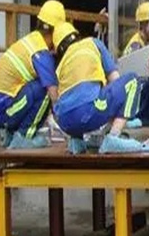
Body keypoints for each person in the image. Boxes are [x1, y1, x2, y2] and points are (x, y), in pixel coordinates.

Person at [0, 0, 65, 149]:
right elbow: (53, 94)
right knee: (44, 89)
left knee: (33, 87)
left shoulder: (30, 41)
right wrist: (68, 124)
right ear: (56, 31)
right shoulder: (41, 52)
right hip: (3, 109)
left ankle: (11, 136)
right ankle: (24, 137)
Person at [52, 22, 142, 154]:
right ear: (77, 36)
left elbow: (59, 97)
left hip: (64, 122)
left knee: (75, 99)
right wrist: (123, 115)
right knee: (132, 81)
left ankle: (76, 142)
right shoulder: (93, 43)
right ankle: (113, 137)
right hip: (88, 112)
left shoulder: (61, 64)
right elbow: (115, 80)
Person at [123, 1, 149, 128]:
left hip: (136, 85)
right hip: (130, 88)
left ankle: (148, 116)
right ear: (143, 25)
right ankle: (136, 116)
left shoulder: (146, 42)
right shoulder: (136, 44)